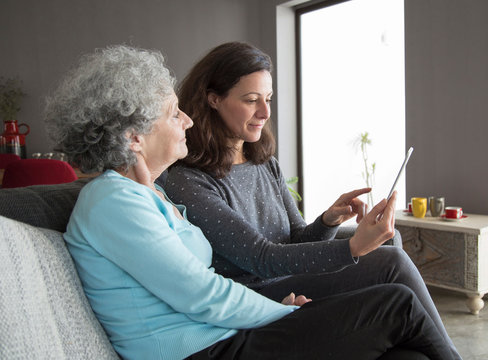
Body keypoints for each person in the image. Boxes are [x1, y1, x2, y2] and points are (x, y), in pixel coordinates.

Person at [44, 44, 457, 360]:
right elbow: (203, 293)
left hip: (219, 330)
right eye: (173, 114)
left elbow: (205, 286)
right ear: (134, 137)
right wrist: (281, 311)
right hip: (199, 349)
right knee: (398, 304)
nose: (185, 119)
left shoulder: (146, 193)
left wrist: (280, 295)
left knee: (409, 352)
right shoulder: (114, 203)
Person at [165, 41, 461, 359]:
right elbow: (262, 259)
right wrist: (353, 248)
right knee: (392, 261)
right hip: (253, 294)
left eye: (268, 99)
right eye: (251, 100)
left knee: (409, 348)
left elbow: (295, 240)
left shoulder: (264, 162)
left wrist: (327, 221)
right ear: (213, 99)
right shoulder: (189, 179)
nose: (265, 112)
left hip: (288, 278)